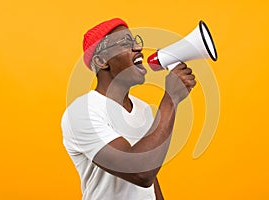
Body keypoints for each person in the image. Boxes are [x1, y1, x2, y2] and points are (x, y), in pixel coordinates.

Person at [61, 18, 196, 200]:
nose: (138, 48)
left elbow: (151, 174)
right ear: (102, 61)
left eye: (135, 41)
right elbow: (140, 173)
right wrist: (171, 99)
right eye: (125, 43)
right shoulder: (82, 112)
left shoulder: (144, 109)